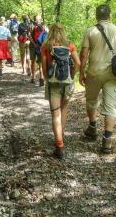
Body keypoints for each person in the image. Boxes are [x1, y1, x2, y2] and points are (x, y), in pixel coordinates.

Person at [79, 5, 116, 154]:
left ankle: (93, 127)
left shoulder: (90, 31)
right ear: (110, 15)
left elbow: (83, 55)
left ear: (96, 16)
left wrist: (81, 72)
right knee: (111, 106)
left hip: (94, 72)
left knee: (91, 100)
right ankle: (107, 141)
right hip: (113, 74)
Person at [41, 23, 80, 159]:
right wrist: (72, 75)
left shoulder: (46, 46)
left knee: (55, 114)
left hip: (53, 84)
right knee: (64, 109)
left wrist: (47, 78)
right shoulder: (70, 45)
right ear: (63, 32)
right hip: (67, 83)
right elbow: (78, 64)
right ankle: (60, 136)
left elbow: (44, 67)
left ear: (50, 32)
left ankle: (59, 145)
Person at [29, 15, 45, 86]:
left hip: (33, 46)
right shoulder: (44, 26)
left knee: (33, 61)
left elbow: (29, 36)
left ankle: (33, 77)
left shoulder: (31, 26)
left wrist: (34, 44)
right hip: (41, 46)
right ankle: (41, 77)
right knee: (40, 62)